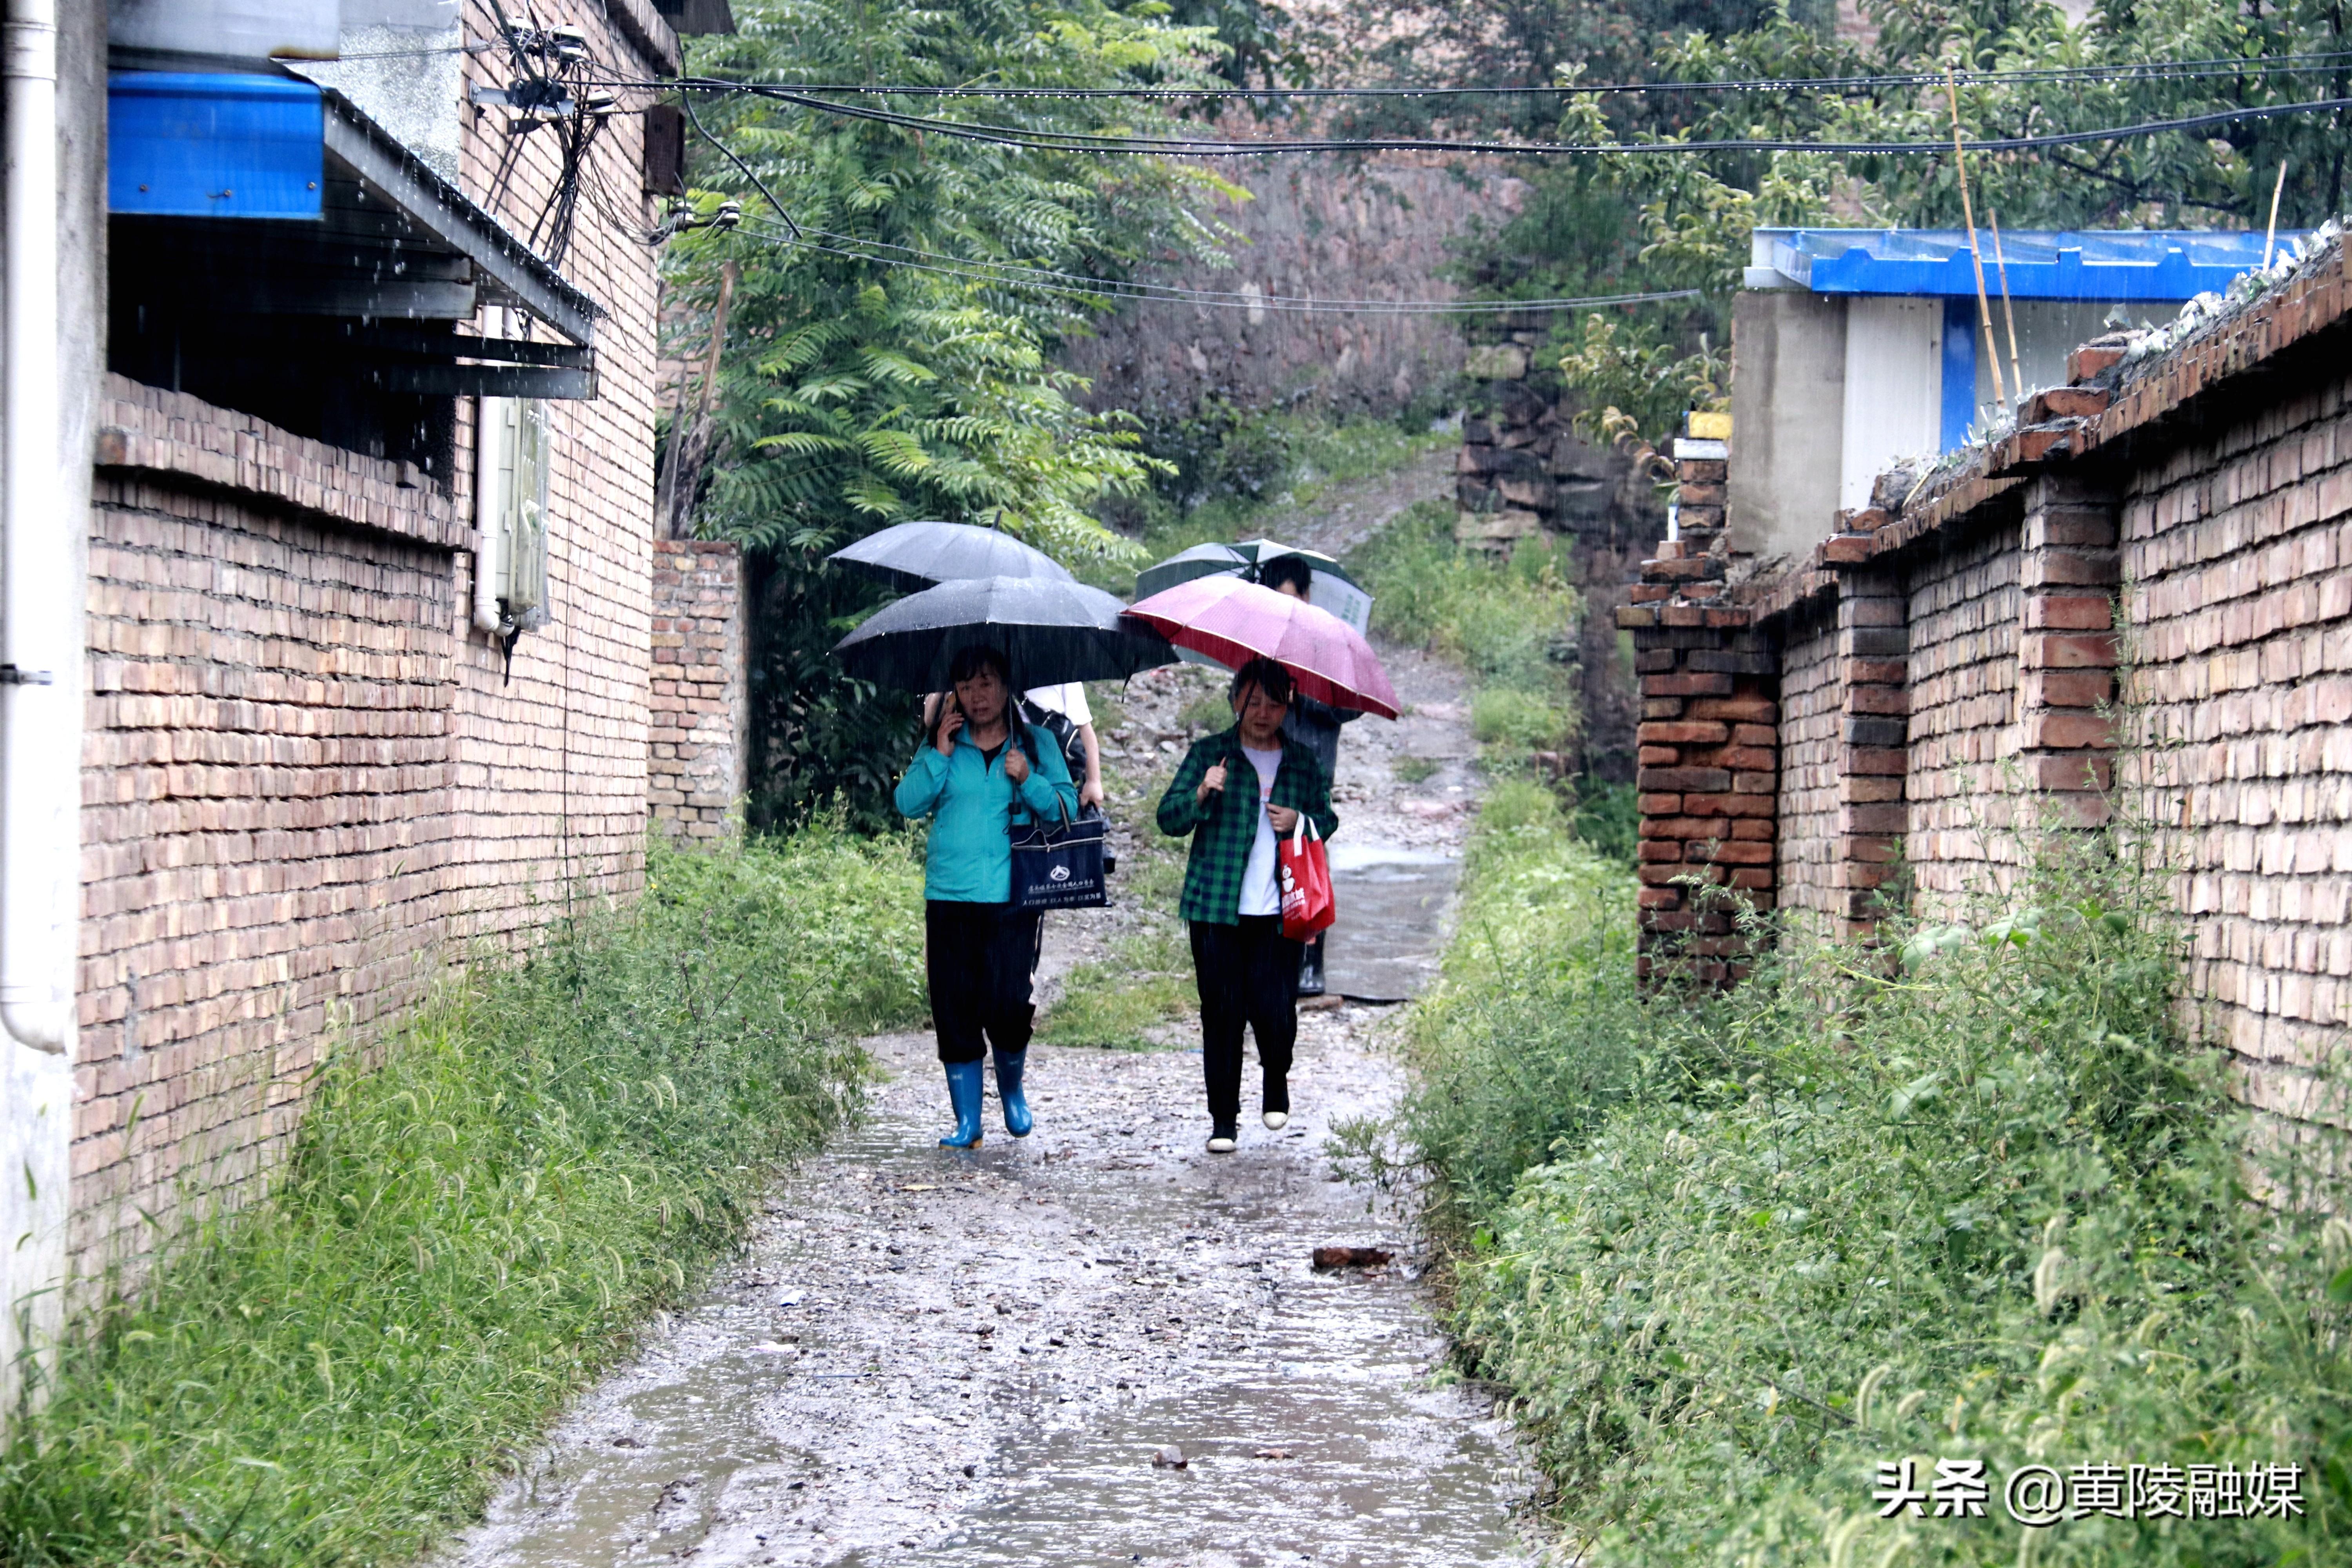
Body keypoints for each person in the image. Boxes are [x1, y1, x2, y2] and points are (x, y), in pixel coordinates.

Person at [894, 646, 1077, 1148]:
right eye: (968, 684)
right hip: (949, 896)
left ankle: (1012, 1088)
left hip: (1013, 898)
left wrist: (1029, 779)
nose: (979, 694)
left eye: (989, 681)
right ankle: (968, 1122)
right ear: (955, 690)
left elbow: (1066, 810)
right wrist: (939, 755)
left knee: (1005, 1002)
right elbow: (907, 803)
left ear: (1007, 686)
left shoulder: (1037, 743)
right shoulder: (943, 742)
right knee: (953, 1005)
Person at [1155, 657, 1339, 1152]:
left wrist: (1300, 818)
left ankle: (1275, 1075)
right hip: (1216, 909)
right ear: (1235, 699)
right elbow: (1168, 819)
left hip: (1283, 909)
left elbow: (1328, 820)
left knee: (1276, 1008)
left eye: (1274, 702)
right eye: (1252, 700)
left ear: (1289, 704)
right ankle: (1223, 1120)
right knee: (1221, 1012)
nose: (1262, 712)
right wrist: (1201, 792)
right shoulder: (1210, 754)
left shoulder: (1303, 762)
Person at [1257, 553, 1359, 996]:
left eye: (1292, 599)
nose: (1286, 609)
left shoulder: (1329, 644)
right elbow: (1236, 701)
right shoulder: (1260, 645)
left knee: (1309, 860)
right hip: (1267, 764)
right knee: (1266, 862)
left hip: (1313, 767)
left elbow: (1349, 707)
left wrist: (1307, 693)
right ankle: (1272, 955)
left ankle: (1312, 963)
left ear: (1307, 596)